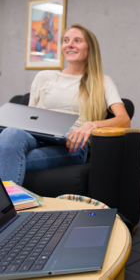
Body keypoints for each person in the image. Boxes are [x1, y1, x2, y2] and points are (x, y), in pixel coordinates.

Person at [0, 23, 130, 185]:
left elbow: (124, 119)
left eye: (77, 40)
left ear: (90, 47)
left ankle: (5, 208)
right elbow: (29, 117)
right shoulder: (44, 76)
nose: (70, 44)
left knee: (6, 157)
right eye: (66, 40)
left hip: (71, 145)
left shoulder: (102, 82)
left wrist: (92, 125)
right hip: (36, 137)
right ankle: (7, 208)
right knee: (11, 133)